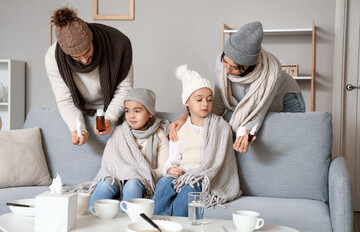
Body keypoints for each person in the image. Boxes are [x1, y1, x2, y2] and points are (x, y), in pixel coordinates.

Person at [170, 21, 305, 153]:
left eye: (234, 67)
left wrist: (247, 132)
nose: (227, 69)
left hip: (285, 102)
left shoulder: (271, 73)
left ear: (250, 67)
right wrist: (186, 118)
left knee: (281, 145)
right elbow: (218, 105)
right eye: (225, 62)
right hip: (248, 104)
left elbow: (257, 113)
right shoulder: (221, 62)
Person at [152, 65, 241, 217]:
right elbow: (173, 158)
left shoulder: (220, 127)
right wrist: (169, 169)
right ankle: (158, 223)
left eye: (210, 99)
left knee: (190, 187)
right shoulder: (179, 128)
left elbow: (221, 163)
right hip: (181, 173)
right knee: (164, 184)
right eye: (199, 100)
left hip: (203, 176)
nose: (205, 104)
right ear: (187, 102)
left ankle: (178, 225)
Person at [45, 7, 133, 146]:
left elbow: (124, 89)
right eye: (76, 57)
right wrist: (78, 128)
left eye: (87, 52)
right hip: (79, 110)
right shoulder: (53, 57)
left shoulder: (118, 44)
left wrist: (109, 118)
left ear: (91, 39)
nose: (85, 60)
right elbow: (65, 100)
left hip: (114, 109)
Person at [70, 88, 169, 208]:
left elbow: (163, 169)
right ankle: (90, 215)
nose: (131, 116)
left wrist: (139, 171)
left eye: (137, 111)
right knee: (105, 184)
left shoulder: (159, 135)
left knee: (133, 184)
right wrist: (123, 171)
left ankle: (125, 220)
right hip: (116, 176)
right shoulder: (120, 132)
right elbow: (110, 161)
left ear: (149, 113)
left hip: (141, 179)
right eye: (127, 111)